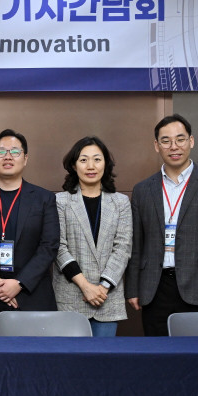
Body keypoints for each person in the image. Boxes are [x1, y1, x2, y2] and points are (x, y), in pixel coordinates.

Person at [126, 114, 198, 336]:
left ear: (191, 141)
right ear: (156, 146)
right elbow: (136, 244)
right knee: (158, 352)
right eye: (166, 141)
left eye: (180, 139)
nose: (174, 146)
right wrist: (133, 288)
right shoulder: (142, 190)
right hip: (154, 287)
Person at [0, 129, 59, 336]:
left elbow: (49, 246)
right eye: (1, 152)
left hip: (32, 297)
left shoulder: (44, 198)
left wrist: (19, 283)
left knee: (33, 356)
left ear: (25, 158)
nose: (8, 156)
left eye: (15, 151)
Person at [52, 136, 132, 336]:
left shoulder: (121, 202)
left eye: (97, 159)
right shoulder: (60, 201)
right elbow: (58, 247)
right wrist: (85, 286)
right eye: (83, 160)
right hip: (71, 296)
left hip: (107, 298)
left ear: (106, 163)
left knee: (104, 355)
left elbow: (123, 248)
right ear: (74, 165)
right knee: (69, 355)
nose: (91, 166)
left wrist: (102, 287)